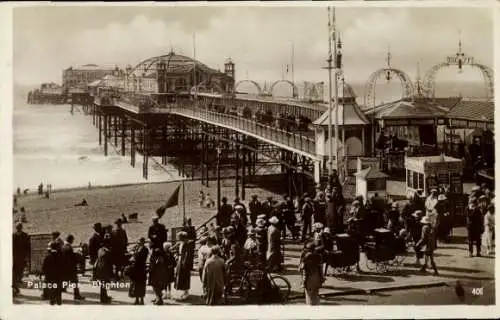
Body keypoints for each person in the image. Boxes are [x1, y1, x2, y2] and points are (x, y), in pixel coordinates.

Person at [61, 234, 85, 300]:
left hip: (64, 267)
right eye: (73, 240)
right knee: (75, 282)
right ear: (71, 240)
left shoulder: (63, 246)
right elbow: (71, 258)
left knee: (65, 279)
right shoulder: (69, 247)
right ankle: (77, 295)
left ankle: (63, 289)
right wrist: (78, 253)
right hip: (70, 268)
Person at [128, 237, 149, 305]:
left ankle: (141, 299)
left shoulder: (145, 249)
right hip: (136, 268)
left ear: (143, 242)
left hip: (141, 268)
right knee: (135, 284)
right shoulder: (137, 248)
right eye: (138, 242)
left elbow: (140, 258)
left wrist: (133, 254)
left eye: (140, 242)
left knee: (141, 284)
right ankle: (136, 299)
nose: (139, 243)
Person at [94, 235, 113, 304]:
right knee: (104, 284)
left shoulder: (100, 250)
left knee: (103, 284)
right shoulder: (106, 252)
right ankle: (103, 298)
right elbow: (109, 263)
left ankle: (104, 297)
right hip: (105, 270)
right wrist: (111, 273)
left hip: (100, 269)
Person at [12, 223, 30, 296]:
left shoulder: (25, 235)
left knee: (21, 268)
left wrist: (27, 255)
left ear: (21, 227)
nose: (18, 228)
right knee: (15, 269)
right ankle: (15, 281)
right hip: (15, 255)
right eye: (17, 227)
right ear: (16, 228)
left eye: (19, 227)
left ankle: (18, 279)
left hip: (22, 255)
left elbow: (27, 246)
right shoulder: (13, 235)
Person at [174, 231, 192, 300]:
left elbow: (187, 254)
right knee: (180, 275)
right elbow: (178, 251)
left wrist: (184, 262)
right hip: (180, 259)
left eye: (179, 236)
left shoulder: (187, 244)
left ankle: (186, 291)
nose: (178, 238)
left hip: (184, 261)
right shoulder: (180, 243)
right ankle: (184, 291)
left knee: (185, 275)